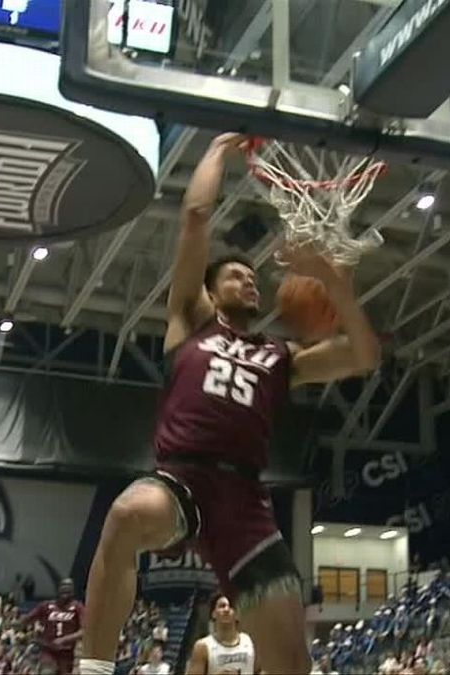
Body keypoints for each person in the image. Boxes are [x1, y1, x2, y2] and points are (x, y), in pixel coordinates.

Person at [79, 133, 380, 675]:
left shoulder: (281, 357)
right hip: (182, 480)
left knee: (292, 665)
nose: (248, 280)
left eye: (253, 277)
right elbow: (196, 217)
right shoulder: (190, 323)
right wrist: (218, 148)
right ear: (212, 293)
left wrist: (332, 280)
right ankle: (93, 669)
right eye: (236, 276)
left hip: (244, 500)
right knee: (125, 514)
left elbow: (363, 355)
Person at [185, 594, 257, 675]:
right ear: (213, 614)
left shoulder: (247, 641)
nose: (226, 609)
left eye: (230, 606)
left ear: (236, 614)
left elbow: (258, 670)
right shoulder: (203, 646)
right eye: (222, 606)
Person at [25, 578, 84, 675]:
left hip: (66, 652)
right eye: (63, 586)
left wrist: (64, 639)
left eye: (68, 587)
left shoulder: (78, 607)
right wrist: (16, 623)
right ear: (58, 589)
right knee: (47, 672)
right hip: (49, 650)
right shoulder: (46, 606)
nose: (65, 588)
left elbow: (83, 631)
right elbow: (27, 619)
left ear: (73, 591)